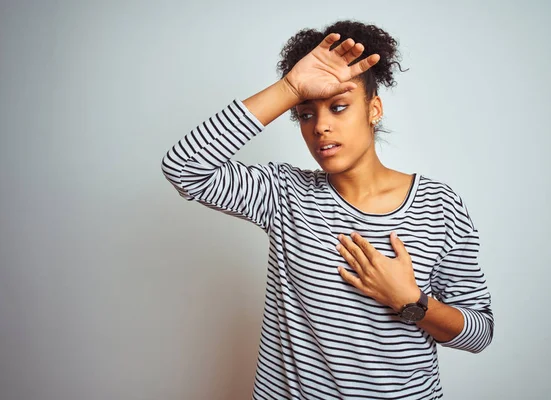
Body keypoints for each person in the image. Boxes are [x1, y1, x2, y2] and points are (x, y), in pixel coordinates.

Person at [161, 20, 493, 400]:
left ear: (374, 109)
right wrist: (288, 89)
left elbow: (479, 332)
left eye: (339, 107)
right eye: (305, 114)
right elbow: (184, 168)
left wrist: (411, 303)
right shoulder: (284, 194)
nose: (320, 127)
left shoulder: (439, 205)